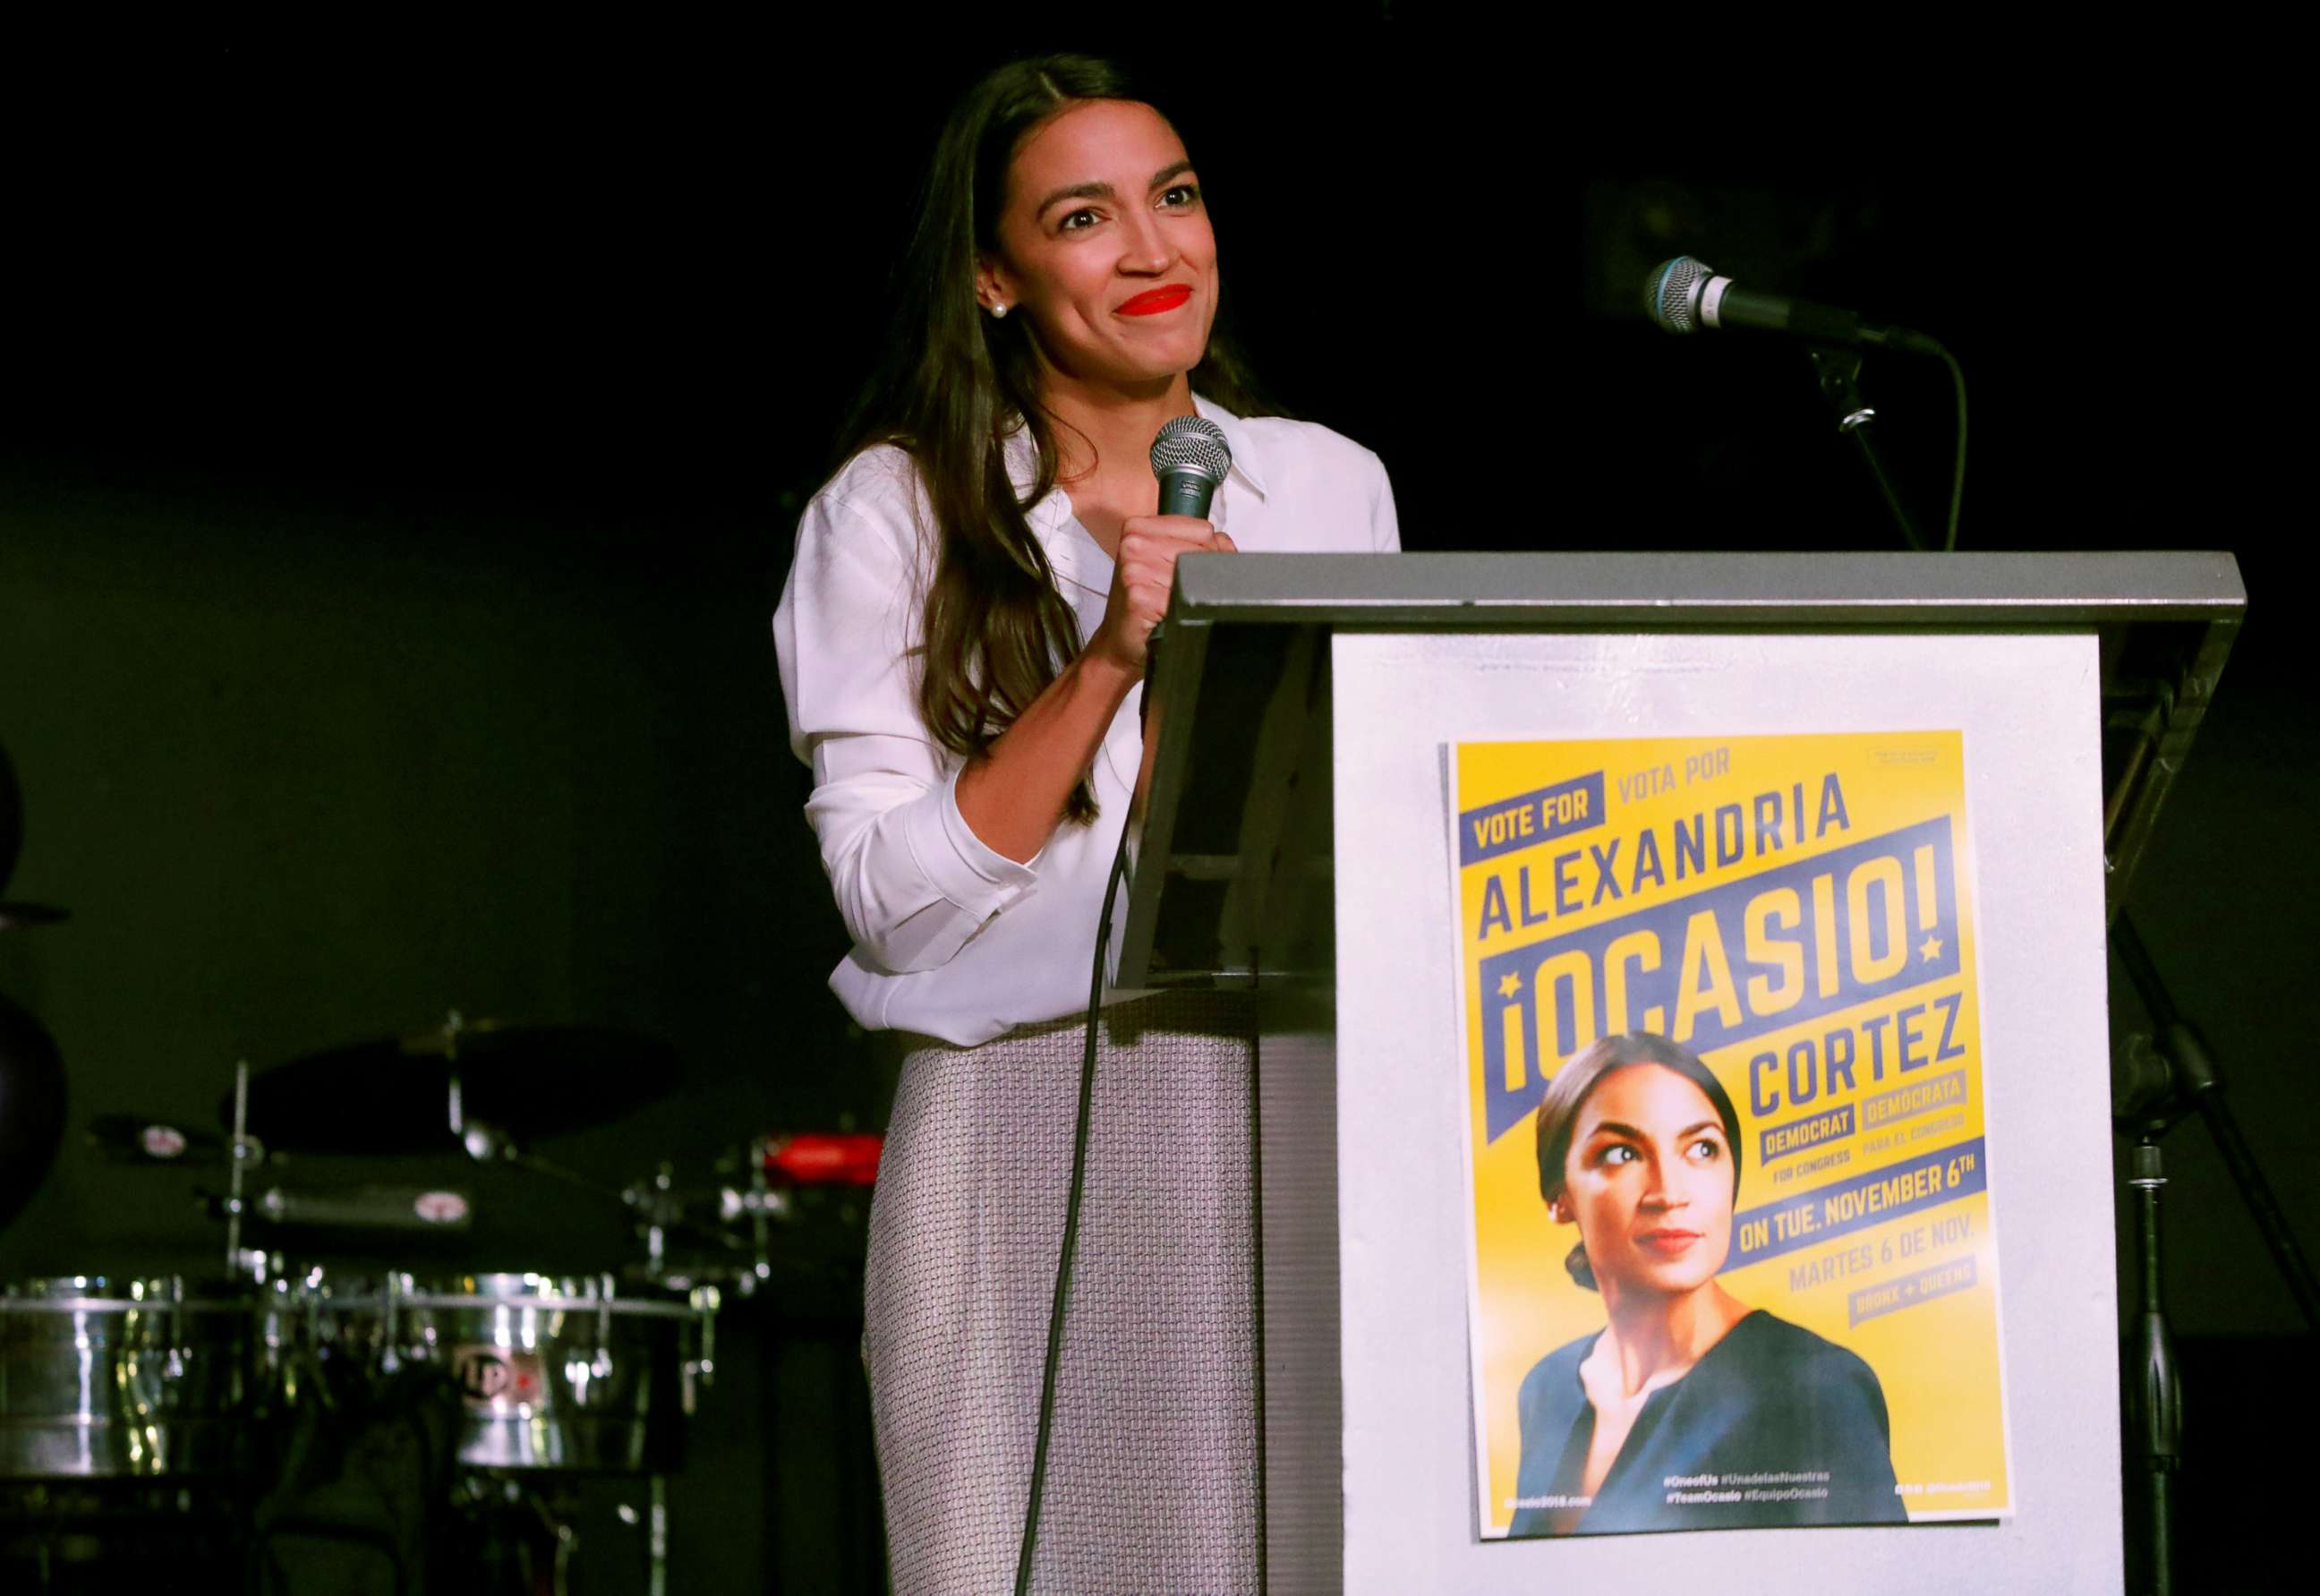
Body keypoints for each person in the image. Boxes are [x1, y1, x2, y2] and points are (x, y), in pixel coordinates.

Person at [772, 54, 1399, 1593]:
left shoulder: (1328, 486)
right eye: (1082, 216)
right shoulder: (898, 509)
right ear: (994, 276)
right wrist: (1112, 656)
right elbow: (890, 903)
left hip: (1302, 1117)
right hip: (1026, 1114)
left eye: (1173, 197)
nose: (1151, 249)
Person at [1506, 1032, 1906, 1537]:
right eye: (1621, 1155)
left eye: (1701, 1149)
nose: (1670, 1193)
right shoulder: (1546, 1388)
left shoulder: (1816, 1388)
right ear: (1559, 1195)